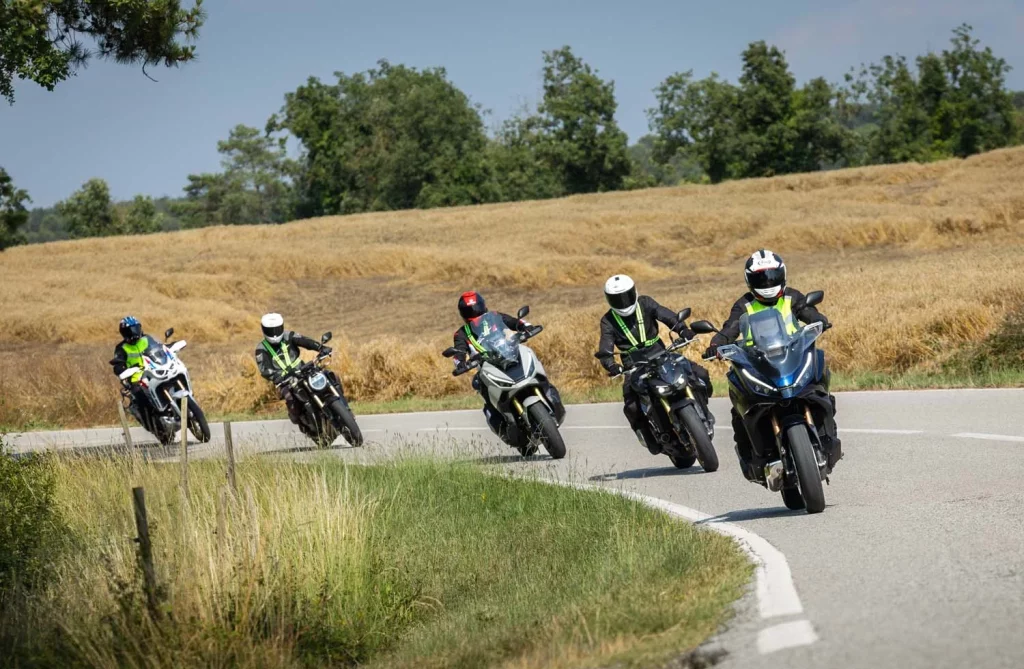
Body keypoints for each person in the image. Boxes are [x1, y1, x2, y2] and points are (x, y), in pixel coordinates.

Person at [703, 249, 841, 481]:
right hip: (758, 363)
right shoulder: (744, 305)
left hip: (793, 356)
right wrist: (716, 344)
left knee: (821, 381)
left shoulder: (792, 297)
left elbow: (809, 311)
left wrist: (820, 321)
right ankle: (752, 458)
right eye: (761, 278)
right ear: (750, 281)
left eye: (771, 277)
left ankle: (828, 435)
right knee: (739, 405)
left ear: (782, 275)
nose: (767, 283)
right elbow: (730, 329)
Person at [595, 275, 712, 455]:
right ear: (608, 300)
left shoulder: (646, 303)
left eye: (626, 296)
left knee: (700, 374)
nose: (623, 302)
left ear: (634, 292)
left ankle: (702, 411)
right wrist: (611, 364)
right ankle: (650, 438)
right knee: (632, 406)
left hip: (662, 355)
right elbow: (605, 346)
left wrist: (683, 329)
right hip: (633, 365)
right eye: (617, 299)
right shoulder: (608, 320)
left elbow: (667, 316)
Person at [451, 291, 564, 443]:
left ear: (482, 306)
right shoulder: (461, 334)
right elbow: (458, 353)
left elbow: (514, 322)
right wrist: (461, 363)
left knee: (531, 360)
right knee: (479, 384)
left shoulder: (495, 316)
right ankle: (504, 425)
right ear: (463, 313)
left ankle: (549, 397)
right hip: (487, 366)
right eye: (470, 310)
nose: (474, 312)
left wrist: (526, 327)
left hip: (508, 353)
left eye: (476, 307)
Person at [255, 313, 331, 425]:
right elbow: (264, 369)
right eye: (271, 330)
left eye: (276, 329)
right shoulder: (261, 348)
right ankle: (302, 422)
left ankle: (344, 407)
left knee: (329, 376)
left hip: (303, 370)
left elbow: (305, 341)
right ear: (264, 329)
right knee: (291, 400)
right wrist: (277, 377)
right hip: (285, 381)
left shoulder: (289, 335)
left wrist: (320, 347)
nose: (274, 334)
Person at [110, 315, 154, 424]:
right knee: (140, 397)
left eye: (136, 329)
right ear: (124, 334)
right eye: (130, 331)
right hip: (136, 380)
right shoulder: (121, 348)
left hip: (153, 372)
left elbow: (159, 348)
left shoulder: (147, 339)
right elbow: (117, 364)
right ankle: (152, 420)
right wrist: (120, 369)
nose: (134, 333)